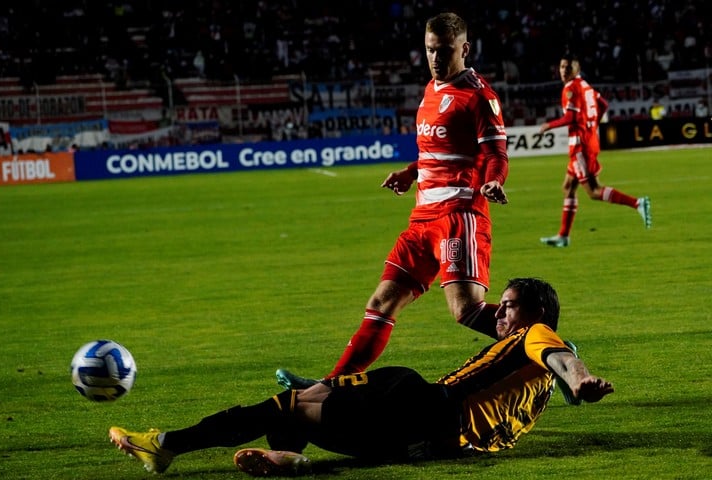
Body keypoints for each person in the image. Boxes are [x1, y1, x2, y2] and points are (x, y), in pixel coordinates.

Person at [108, 278, 614, 477]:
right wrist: (573, 385)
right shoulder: (532, 373)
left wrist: (580, 380)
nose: (498, 313)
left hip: (431, 407)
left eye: (508, 306)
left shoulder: (536, 335)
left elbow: (564, 359)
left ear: (535, 313)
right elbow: (561, 366)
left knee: (308, 400)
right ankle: (292, 458)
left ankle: (166, 445)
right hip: (433, 444)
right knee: (299, 412)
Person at [277, 11, 510, 390]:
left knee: (467, 310)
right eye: (430, 50)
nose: (436, 58)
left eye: (444, 50)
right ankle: (329, 388)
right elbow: (437, 151)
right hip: (421, 220)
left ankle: (552, 349)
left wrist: (494, 180)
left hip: (457, 215)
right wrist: (411, 172)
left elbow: (497, 153)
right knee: (382, 302)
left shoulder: (479, 96)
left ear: (464, 49)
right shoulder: (431, 90)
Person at [539, 53, 652, 248]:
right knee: (568, 187)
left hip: (580, 146)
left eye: (568, 67)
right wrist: (592, 126)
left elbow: (572, 118)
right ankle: (563, 236)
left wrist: (548, 125)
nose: (564, 71)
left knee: (593, 191)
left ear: (577, 68)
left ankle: (637, 203)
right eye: (562, 67)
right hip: (588, 141)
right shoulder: (586, 86)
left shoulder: (571, 87)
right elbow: (603, 105)